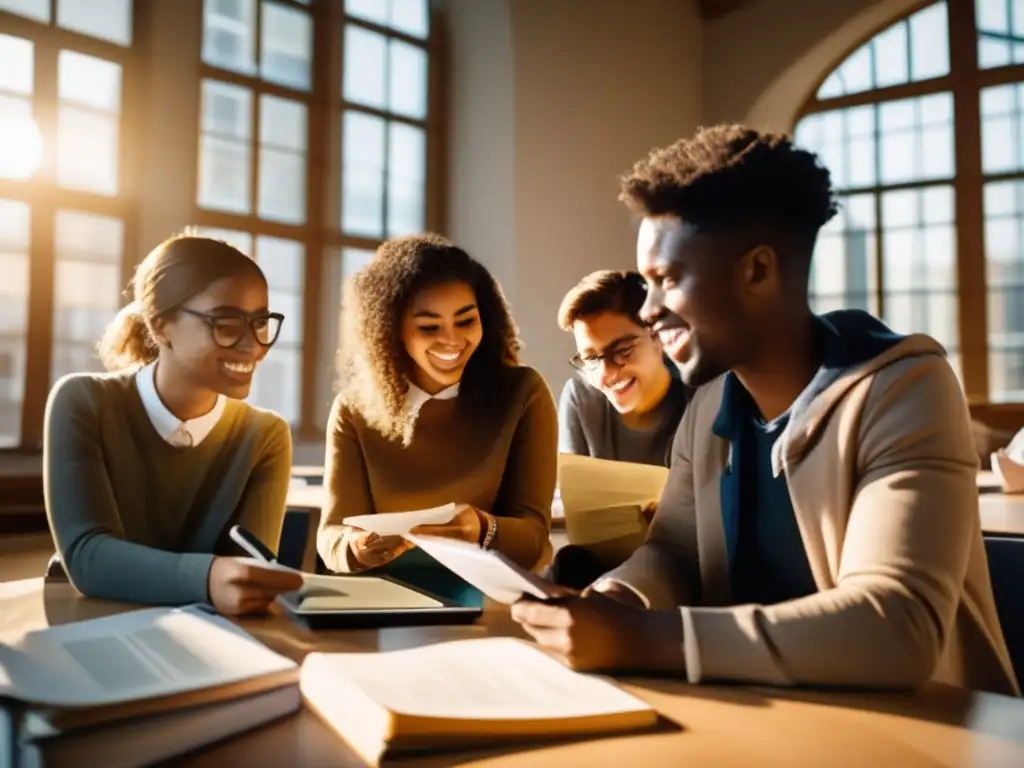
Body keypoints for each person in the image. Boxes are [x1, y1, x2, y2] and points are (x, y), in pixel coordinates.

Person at [511, 125, 1020, 696]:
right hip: (761, 716)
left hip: (924, 734)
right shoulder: (708, 405)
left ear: (757, 270)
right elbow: (674, 552)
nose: (649, 311)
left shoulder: (906, 389)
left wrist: (643, 638)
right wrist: (617, 600)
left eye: (667, 280)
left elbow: (894, 626)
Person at [44, 235, 303, 615]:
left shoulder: (265, 436)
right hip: (87, 617)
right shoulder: (83, 402)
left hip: (202, 630)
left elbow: (245, 574)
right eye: (227, 323)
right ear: (161, 326)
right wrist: (210, 578)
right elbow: (88, 556)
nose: (254, 345)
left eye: (261, 322)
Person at [317, 233, 557, 598]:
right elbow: (331, 535)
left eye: (466, 321)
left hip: (488, 602)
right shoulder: (354, 409)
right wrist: (354, 547)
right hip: (379, 603)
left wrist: (483, 529)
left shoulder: (523, 393)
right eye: (429, 327)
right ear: (390, 331)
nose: (452, 341)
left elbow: (537, 543)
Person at [557, 269, 689, 467]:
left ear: (658, 336)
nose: (605, 374)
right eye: (591, 358)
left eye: (622, 351)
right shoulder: (583, 403)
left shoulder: (699, 405)